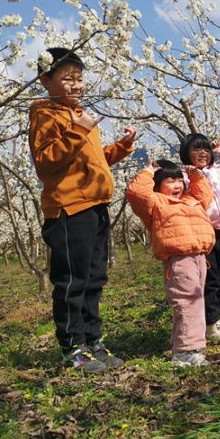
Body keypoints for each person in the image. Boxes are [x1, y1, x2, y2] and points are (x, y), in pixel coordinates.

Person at [29, 47, 137, 374]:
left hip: (96, 205)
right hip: (68, 209)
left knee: (94, 278)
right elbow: (46, 161)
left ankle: (92, 341)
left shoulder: (79, 114)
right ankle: (72, 348)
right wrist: (79, 129)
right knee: (72, 281)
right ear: (45, 79)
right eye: (67, 79)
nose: (76, 85)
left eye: (79, 79)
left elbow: (93, 161)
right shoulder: (45, 112)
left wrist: (121, 147)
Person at [126, 159, 216, 367]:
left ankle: (183, 343)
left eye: (179, 181)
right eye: (169, 181)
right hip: (179, 259)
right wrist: (148, 171)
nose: (176, 185)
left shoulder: (191, 200)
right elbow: (136, 193)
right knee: (187, 301)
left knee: (196, 301)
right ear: (158, 185)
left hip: (200, 256)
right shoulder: (156, 203)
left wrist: (194, 175)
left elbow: (206, 194)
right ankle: (186, 351)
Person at [179, 133, 220, 343]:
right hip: (204, 232)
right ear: (186, 154)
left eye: (206, 150)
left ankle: (214, 321)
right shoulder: (185, 176)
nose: (202, 153)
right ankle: (210, 324)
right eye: (196, 150)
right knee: (211, 279)